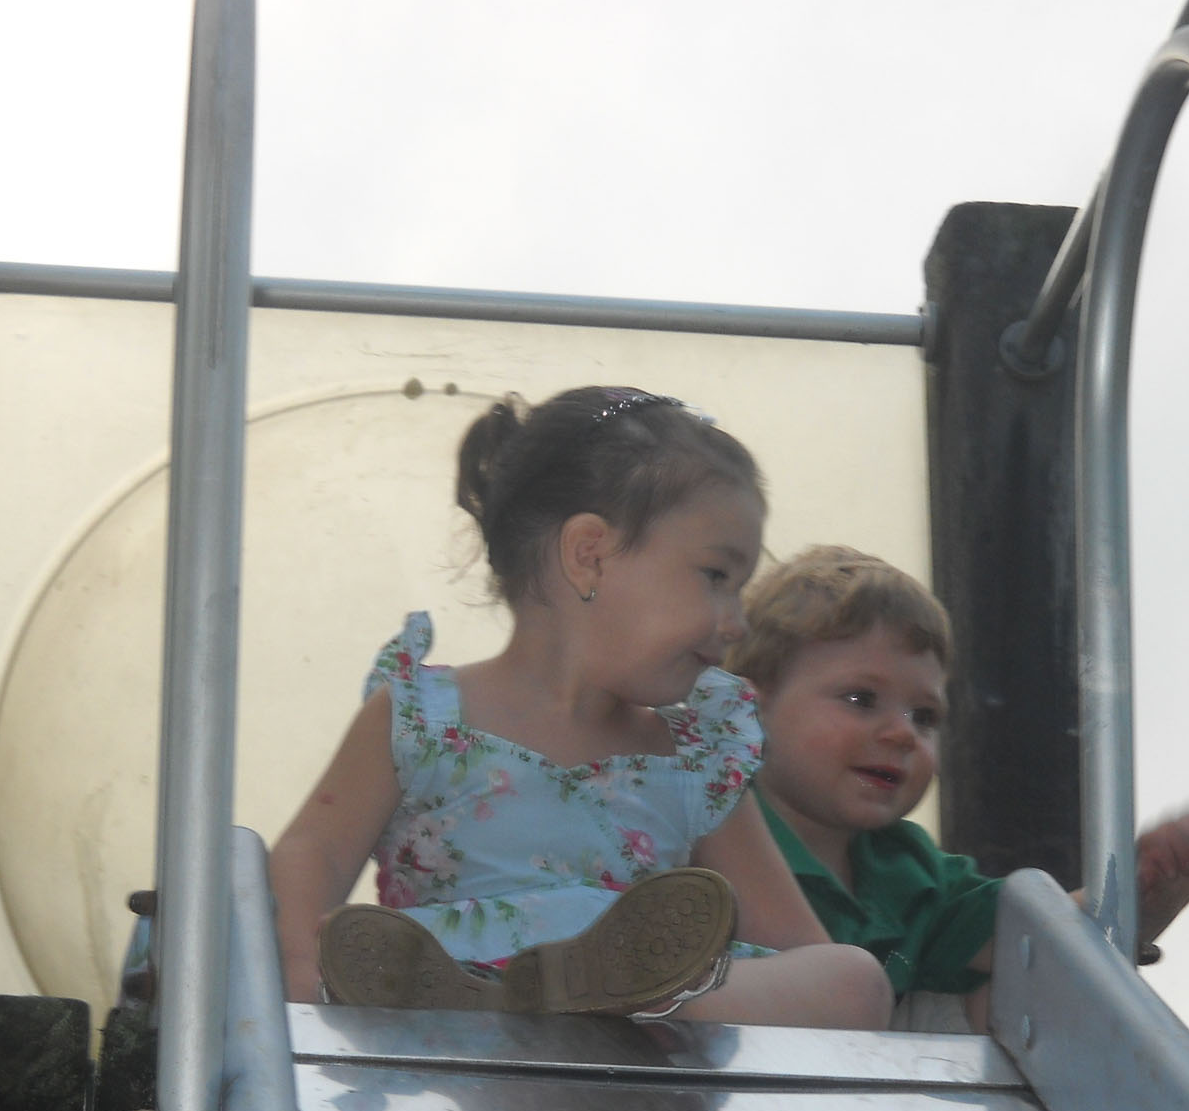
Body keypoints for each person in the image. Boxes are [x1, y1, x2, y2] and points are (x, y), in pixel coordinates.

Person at [269, 388, 893, 1029]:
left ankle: (618, 1000)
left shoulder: (697, 761)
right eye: (715, 577)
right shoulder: (418, 719)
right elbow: (312, 854)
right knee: (321, 943)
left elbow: (801, 954)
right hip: (449, 1023)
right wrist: (300, 978)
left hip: (636, 1049)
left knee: (857, 980)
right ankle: (533, 998)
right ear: (589, 554)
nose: (736, 623)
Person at [725, 545, 1189, 1032]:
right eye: (861, 699)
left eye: (924, 716)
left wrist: (1130, 897)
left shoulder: (910, 867)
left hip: (874, 1062)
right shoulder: (712, 830)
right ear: (749, 707)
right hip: (725, 1060)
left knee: (1017, 997)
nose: (902, 734)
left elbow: (1027, 934)